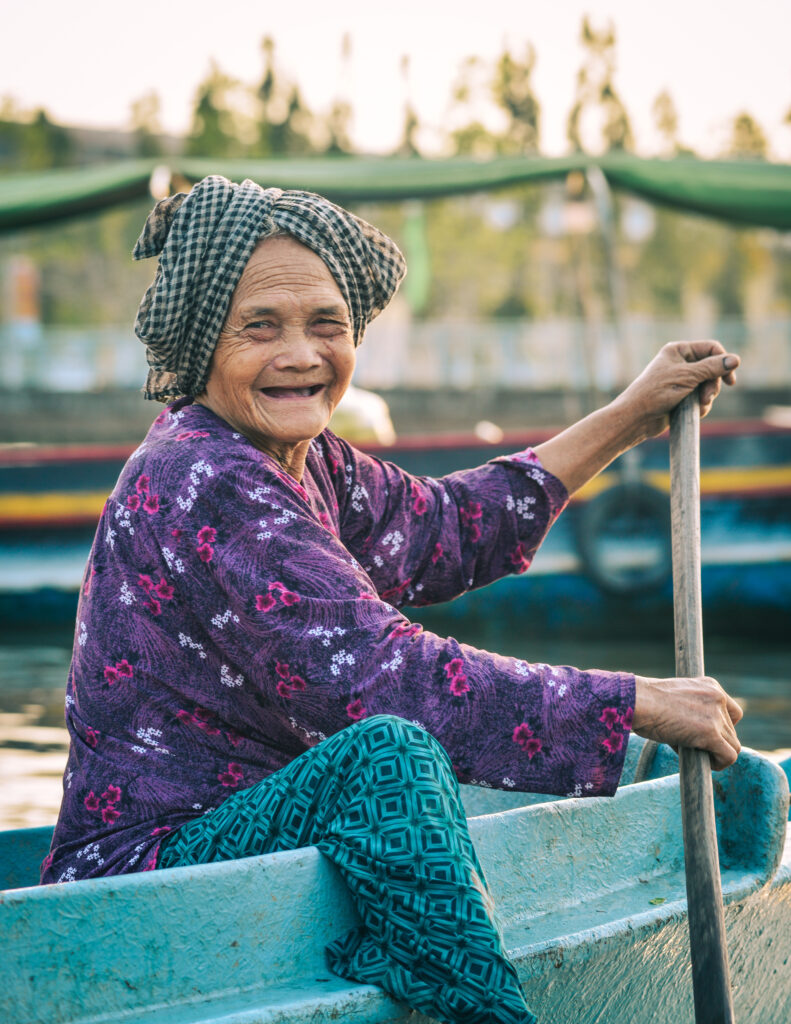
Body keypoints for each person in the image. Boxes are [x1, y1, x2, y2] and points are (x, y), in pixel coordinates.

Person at [41, 176, 743, 1024]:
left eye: (325, 325)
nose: (301, 354)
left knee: (395, 763)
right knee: (388, 757)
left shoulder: (308, 458)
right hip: (147, 873)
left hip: (251, 832)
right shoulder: (205, 471)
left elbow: (449, 528)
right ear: (201, 347)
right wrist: (634, 702)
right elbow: (383, 678)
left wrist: (633, 414)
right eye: (259, 328)